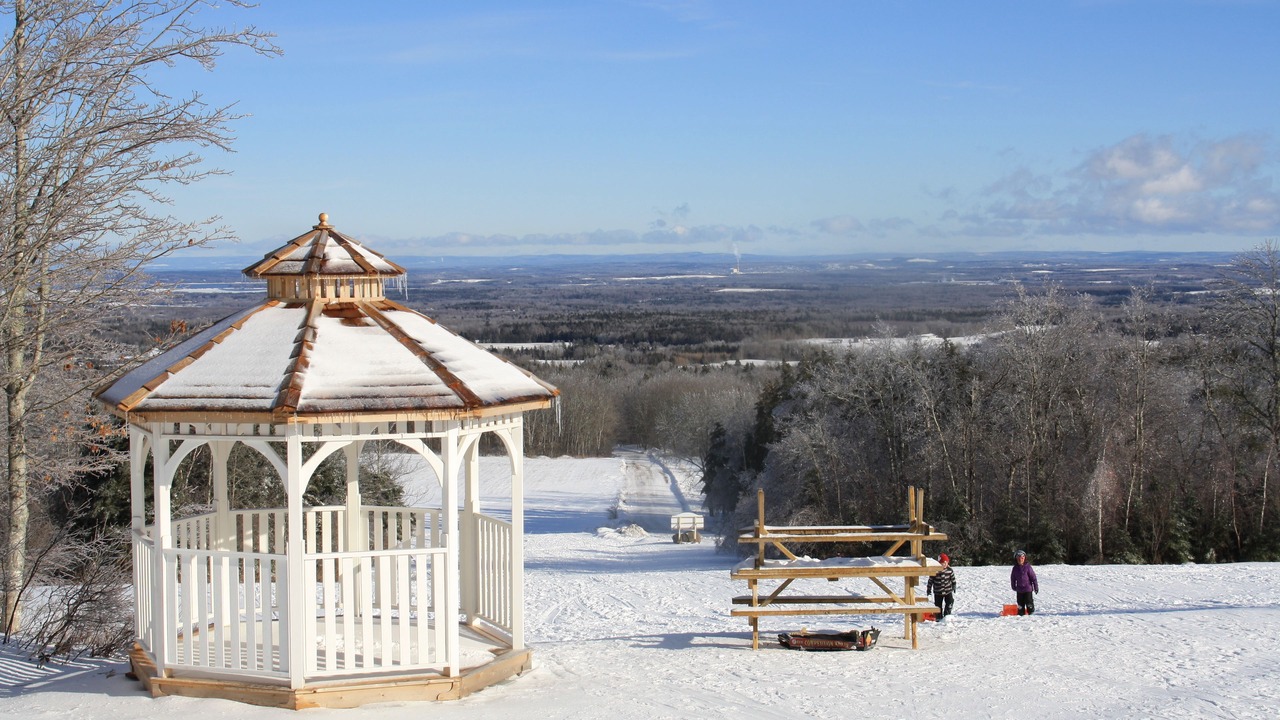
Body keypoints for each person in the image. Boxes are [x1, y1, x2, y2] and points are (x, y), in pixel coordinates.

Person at [927, 553, 956, 617]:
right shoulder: (935, 571)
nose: (945, 564)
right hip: (938, 592)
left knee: (950, 602)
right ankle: (938, 616)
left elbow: (953, 578)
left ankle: (947, 615)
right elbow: (930, 581)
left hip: (948, 591)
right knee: (938, 605)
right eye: (943, 563)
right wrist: (929, 590)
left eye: (946, 563)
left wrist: (954, 585)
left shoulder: (950, 570)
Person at [1010, 549, 1038, 615]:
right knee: (1020, 604)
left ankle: (1031, 611)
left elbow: (1033, 578)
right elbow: (1013, 578)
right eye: (1019, 559)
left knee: (1029, 602)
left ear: (1024, 559)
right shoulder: (1015, 568)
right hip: (1019, 589)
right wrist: (1013, 586)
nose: (1020, 560)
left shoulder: (1028, 567)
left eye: (1022, 558)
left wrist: (1035, 587)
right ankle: (1021, 613)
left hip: (1028, 589)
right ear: (1016, 559)